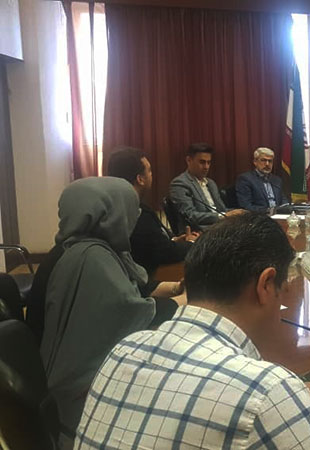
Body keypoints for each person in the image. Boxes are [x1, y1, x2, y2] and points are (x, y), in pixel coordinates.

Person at [74, 212, 310, 449]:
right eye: (284, 287)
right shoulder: (266, 389)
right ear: (265, 285)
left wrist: (303, 391)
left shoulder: (125, 349)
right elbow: (250, 396)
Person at [39, 177, 186, 441]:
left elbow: (133, 289)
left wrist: (175, 288)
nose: (135, 217)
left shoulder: (84, 246)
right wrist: (189, 299)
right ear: (111, 214)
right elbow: (130, 313)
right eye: (130, 209)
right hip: (79, 397)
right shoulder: (90, 259)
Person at [106, 147, 199, 276]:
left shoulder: (112, 207)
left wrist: (173, 241)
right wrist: (192, 243)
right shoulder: (138, 214)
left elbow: (154, 245)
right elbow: (165, 253)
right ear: (140, 179)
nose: (151, 175)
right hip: (150, 278)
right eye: (149, 171)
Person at [169, 143, 244, 230]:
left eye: (209, 162)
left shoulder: (211, 183)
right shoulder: (180, 183)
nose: (206, 167)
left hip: (221, 226)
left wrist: (238, 213)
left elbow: (222, 210)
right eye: (202, 162)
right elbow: (190, 215)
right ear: (189, 160)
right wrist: (222, 216)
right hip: (200, 230)